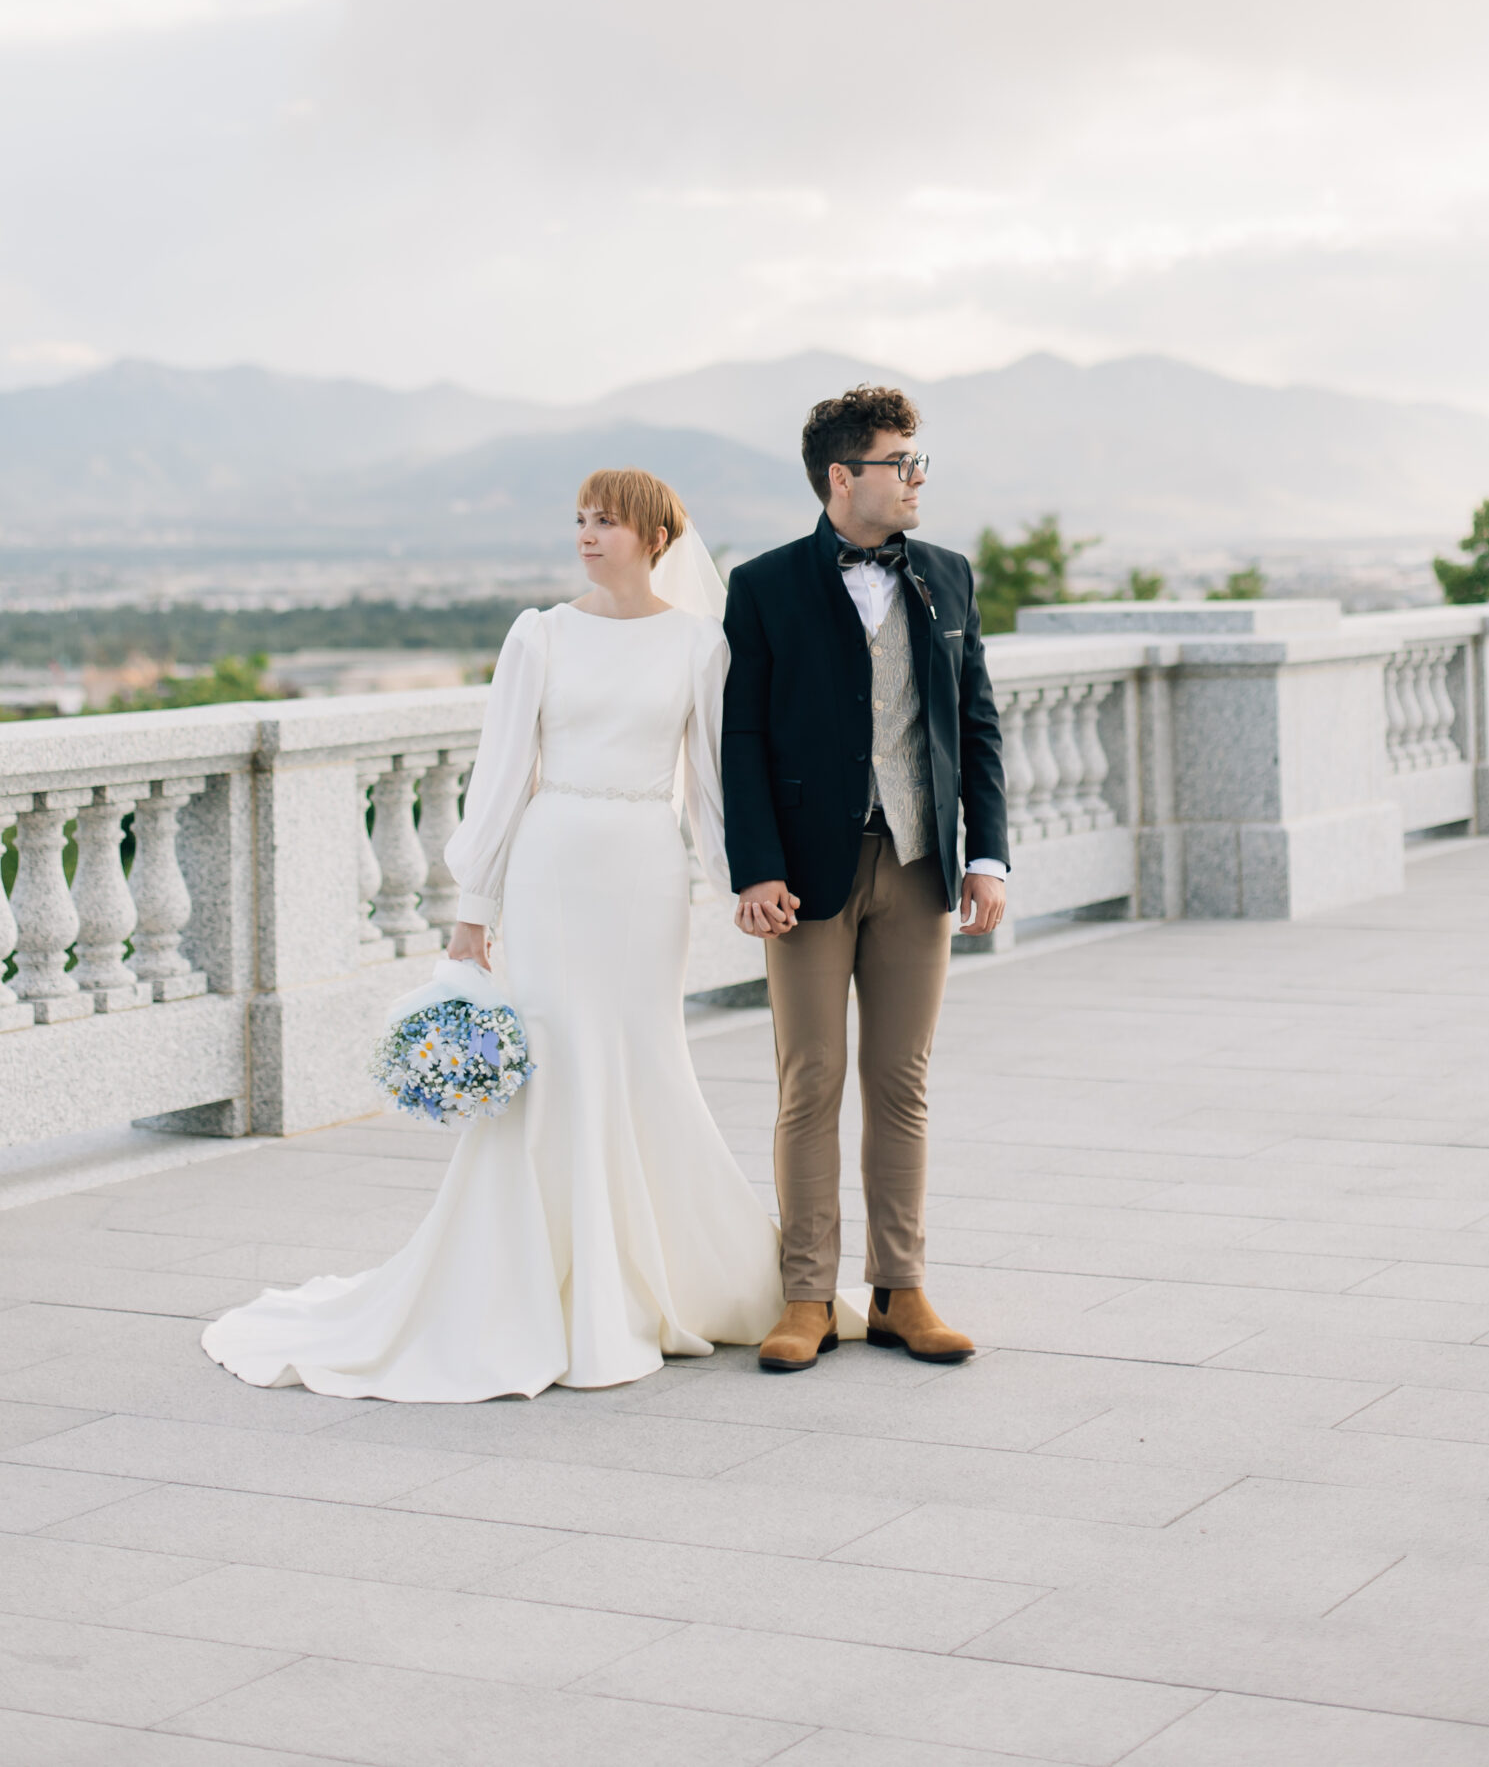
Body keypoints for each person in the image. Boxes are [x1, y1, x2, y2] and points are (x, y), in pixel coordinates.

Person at [202, 467, 783, 1402]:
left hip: (643, 872)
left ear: (657, 538)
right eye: (581, 520)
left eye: (609, 522)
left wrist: (740, 886)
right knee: (553, 1064)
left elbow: (708, 783)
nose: (589, 535)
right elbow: (504, 772)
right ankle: (534, 1284)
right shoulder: (540, 634)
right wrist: (474, 913)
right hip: (554, 870)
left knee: (643, 1055)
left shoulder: (697, 643)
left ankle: (658, 1275)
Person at [721, 385, 1009, 1372]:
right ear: (843, 477)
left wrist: (986, 854)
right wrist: (753, 869)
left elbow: (973, 721)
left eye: (918, 461)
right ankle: (807, 1294)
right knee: (810, 1082)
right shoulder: (760, 586)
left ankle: (899, 1288)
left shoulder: (947, 576)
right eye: (900, 462)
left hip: (922, 863)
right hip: (806, 875)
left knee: (903, 1083)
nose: (916, 478)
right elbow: (742, 738)